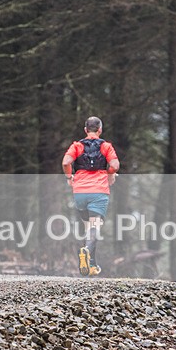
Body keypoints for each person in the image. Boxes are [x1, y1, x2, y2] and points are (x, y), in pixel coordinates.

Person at [62, 116, 119, 276]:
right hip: (98, 192)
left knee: (88, 228)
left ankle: (91, 264)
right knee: (94, 227)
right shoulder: (106, 146)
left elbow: (66, 162)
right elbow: (115, 165)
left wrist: (69, 177)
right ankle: (86, 251)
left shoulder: (77, 146)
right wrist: (110, 174)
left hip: (79, 192)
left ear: (85, 130)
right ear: (100, 130)